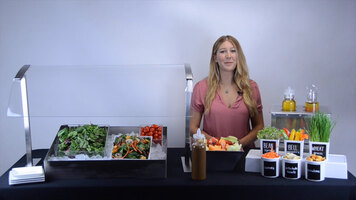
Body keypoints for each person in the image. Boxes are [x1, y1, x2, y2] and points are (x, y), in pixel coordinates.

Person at [190, 35, 264, 148]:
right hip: (212, 155)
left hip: (244, 156)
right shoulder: (201, 88)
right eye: (223, 51)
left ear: (238, 56)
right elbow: (192, 128)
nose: (228, 56)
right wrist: (218, 144)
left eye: (233, 51)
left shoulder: (251, 87)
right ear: (215, 58)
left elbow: (259, 127)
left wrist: (237, 145)